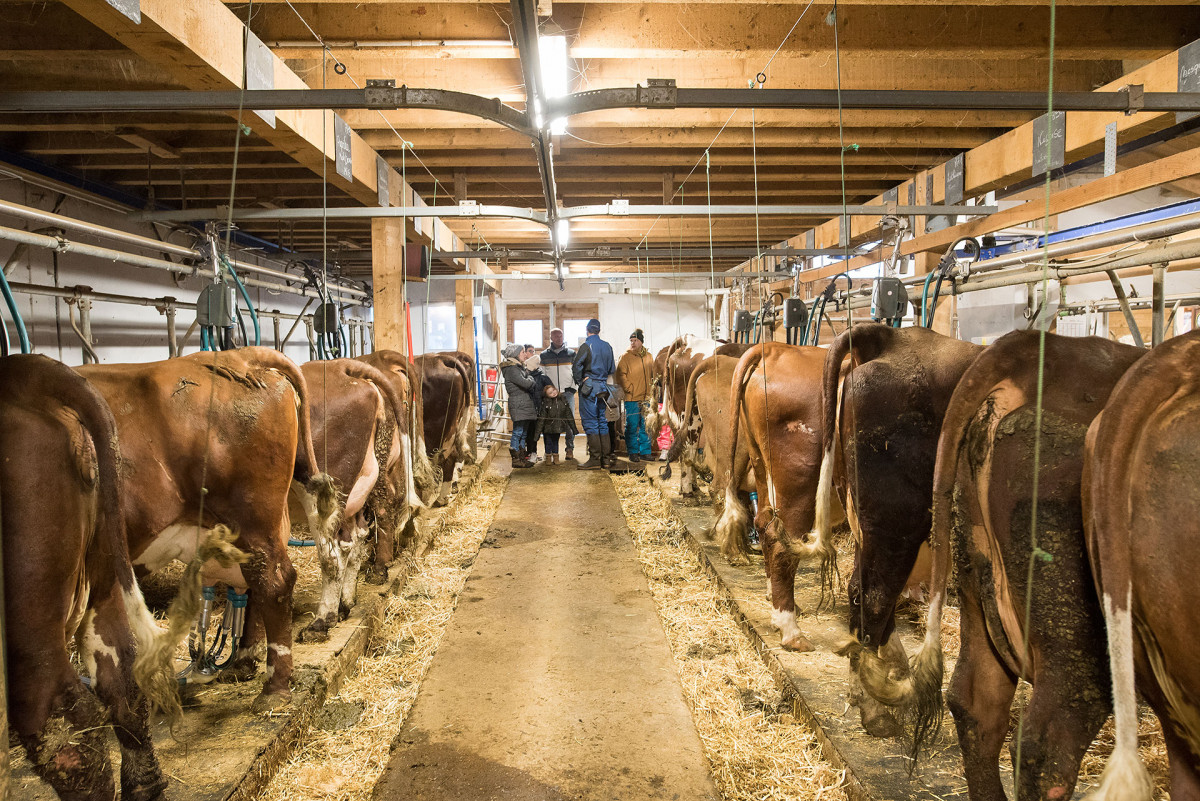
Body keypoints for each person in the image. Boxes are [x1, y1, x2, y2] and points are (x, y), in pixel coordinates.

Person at [572, 318, 616, 469]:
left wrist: (581, 381)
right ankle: (606, 460)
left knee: (591, 423)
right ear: (599, 330)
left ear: (587, 330)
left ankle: (595, 459)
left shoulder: (585, 346)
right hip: (603, 387)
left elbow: (576, 366)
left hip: (589, 388)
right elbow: (611, 369)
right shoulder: (607, 346)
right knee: (602, 423)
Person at [615, 328, 655, 462]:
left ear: (641, 342)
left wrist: (653, 389)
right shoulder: (625, 357)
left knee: (646, 425)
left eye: (635, 340)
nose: (633, 343)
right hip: (631, 398)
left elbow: (653, 374)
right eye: (631, 340)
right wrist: (629, 389)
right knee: (632, 425)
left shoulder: (649, 356)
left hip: (647, 397)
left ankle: (645, 452)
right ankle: (633, 451)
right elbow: (620, 375)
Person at [540, 328, 577, 460]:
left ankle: (569, 448)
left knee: (569, 421)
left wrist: (573, 388)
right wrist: (547, 391)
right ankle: (549, 451)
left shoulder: (571, 354)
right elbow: (542, 375)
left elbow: (577, 372)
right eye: (555, 336)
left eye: (560, 336)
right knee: (549, 422)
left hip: (567, 393)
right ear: (551, 338)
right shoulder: (544, 355)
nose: (558, 338)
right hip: (551, 394)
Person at [500, 343, 537, 468]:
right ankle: (516, 459)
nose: (525, 355)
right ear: (515, 354)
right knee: (518, 431)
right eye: (522, 352)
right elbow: (526, 383)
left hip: (523, 402)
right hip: (519, 402)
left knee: (523, 431)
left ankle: (522, 457)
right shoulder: (512, 369)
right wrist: (531, 379)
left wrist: (529, 378)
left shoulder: (518, 367)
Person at [533, 383, 578, 465]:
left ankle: (556, 457)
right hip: (548, 428)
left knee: (555, 442)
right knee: (548, 443)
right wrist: (537, 434)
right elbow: (542, 419)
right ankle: (548, 457)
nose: (553, 393)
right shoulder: (545, 403)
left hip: (557, 427)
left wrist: (574, 429)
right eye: (550, 393)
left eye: (553, 390)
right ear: (547, 395)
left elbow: (569, 415)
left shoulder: (563, 400)